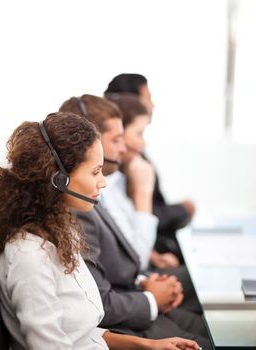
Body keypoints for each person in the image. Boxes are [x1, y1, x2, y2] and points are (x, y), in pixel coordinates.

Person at [0, 112, 201, 350]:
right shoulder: (29, 257)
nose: (103, 181)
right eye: (95, 172)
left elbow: (83, 334)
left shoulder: (61, 231)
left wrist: (148, 345)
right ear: (58, 179)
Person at [59, 96, 212, 350]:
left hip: (136, 293)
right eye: (116, 140)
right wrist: (151, 296)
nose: (127, 148)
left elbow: (119, 260)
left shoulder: (98, 194)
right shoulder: (80, 207)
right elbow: (98, 302)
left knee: (209, 330)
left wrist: (145, 284)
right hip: (126, 318)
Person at [104, 73, 196, 257]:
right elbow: (137, 254)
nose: (152, 105)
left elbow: (127, 234)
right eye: (148, 98)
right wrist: (181, 210)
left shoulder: (127, 166)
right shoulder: (109, 181)